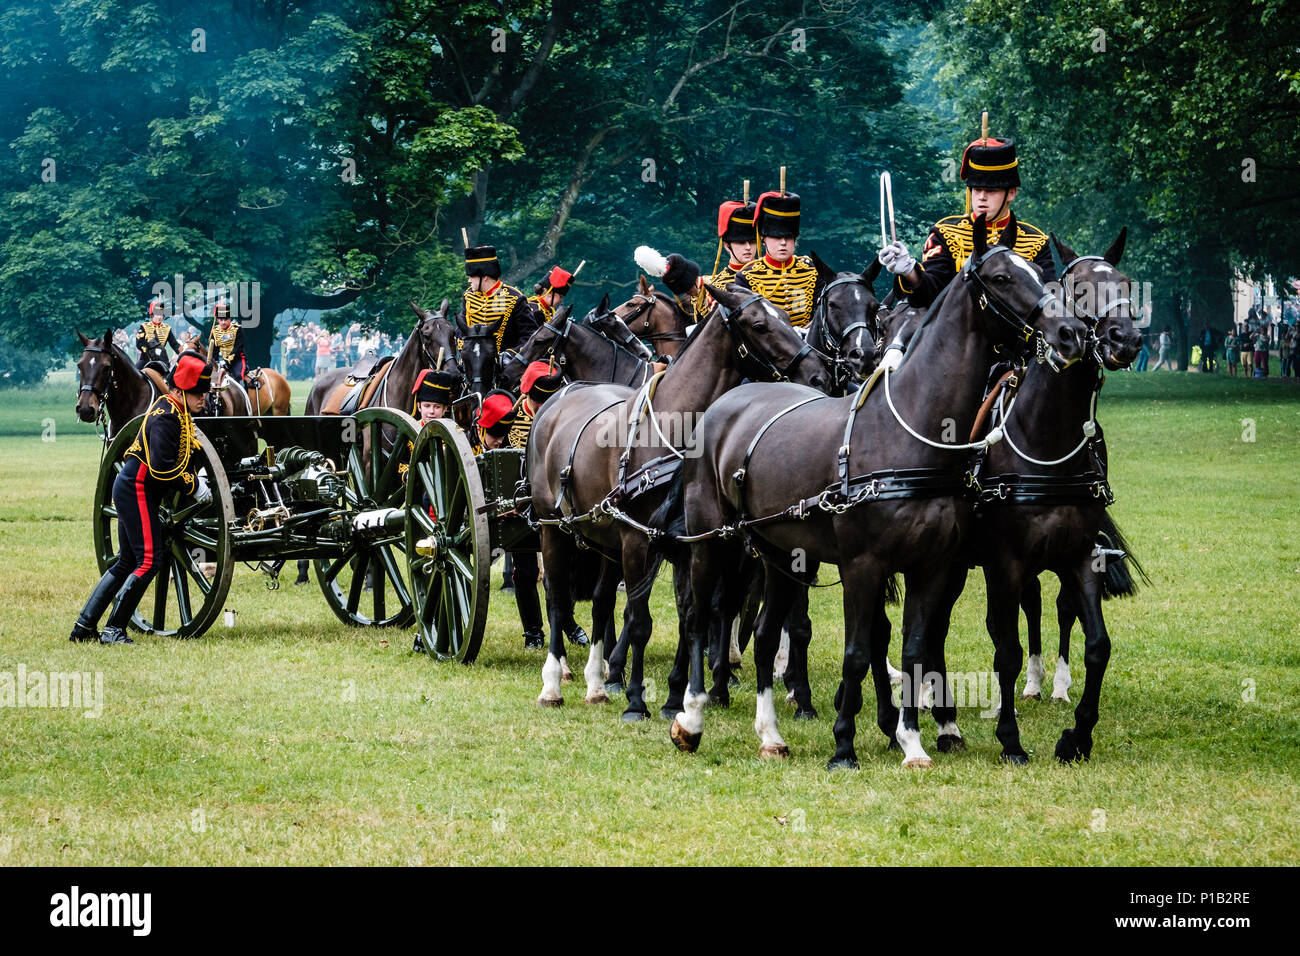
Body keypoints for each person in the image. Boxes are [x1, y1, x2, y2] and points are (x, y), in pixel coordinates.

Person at [69, 351, 212, 645]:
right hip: (137, 488)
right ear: (181, 390)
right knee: (149, 561)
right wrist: (192, 485)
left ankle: (83, 627)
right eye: (198, 393)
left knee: (126, 562)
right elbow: (161, 468)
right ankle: (114, 629)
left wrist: (202, 475)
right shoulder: (165, 417)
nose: (204, 399)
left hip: (135, 488)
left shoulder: (176, 413)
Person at [880, 125, 1054, 307]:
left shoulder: (1036, 242)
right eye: (976, 190)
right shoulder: (946, 233)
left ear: (1011, 193)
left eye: (991, 191)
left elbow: (1050, 302)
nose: (981, 198)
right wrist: (909, 271)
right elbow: (929, 293)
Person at [508, 361, 587, 649]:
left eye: (549, 400)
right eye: (538, 400)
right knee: (526, 571)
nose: (543, 406)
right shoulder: (510, 420)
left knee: (562, 570)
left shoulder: (567, 417)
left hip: (559, 503)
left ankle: (566, 622)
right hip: (518, 507)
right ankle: (532, 631)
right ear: (525, 394)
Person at [732, 188, 823, 328]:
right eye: (776, 237)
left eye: (788, 237)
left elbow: (824, 311)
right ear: (763, 238)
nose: (783, 243)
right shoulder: (746, 276)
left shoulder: (812, 270)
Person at [457, 244, 539, 356]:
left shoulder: (514, 298)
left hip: (506, 366)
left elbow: (530, 336)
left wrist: (510, 354)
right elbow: (461, 330)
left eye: (472, 276)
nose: (469, 281)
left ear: (484, 276)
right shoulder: (468, 296)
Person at [208, 301, 250, 389]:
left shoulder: (237, 329)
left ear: (229, 319)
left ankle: (246, 400)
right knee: (213, 379)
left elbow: (239, 347)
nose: (223, 322)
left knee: (239, 376)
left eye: (226, 320)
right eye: (221, 320)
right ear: (218, 320)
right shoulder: (215, 331)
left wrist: (227, 361)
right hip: (222, 360)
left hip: (237, 359)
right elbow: (214, 350)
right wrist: (215, 362)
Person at [135, 299, 182, 370]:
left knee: (168, 379)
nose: (160, 317)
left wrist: (183, 352)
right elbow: (139, 343)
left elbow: (174, 345)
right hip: (145, 359)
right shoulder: (144, 326)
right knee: (134, 373)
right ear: (152, 314)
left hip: (161, 360)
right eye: (157, 314)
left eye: (161, 314)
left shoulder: (167, 328)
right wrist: (148, 352)